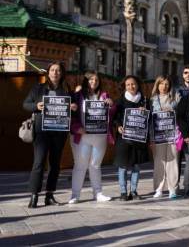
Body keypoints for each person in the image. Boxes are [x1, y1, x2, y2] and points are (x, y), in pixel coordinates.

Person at [24, 62, 78, 208]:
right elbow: (25, 104)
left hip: (59, 132)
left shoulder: (67, 90)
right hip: (41, 131)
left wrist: (73, 107)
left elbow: (76, 108)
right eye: (53, 70)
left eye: (58, 70)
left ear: (62, 73)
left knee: (55, 165)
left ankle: (49, 195)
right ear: (48, 73)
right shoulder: (38, 88)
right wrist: (36, 106)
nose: (55, 73)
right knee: (39, 163)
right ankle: (34, 195)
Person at [68, 70, 113, 204]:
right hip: (82, 136)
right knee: (80, 165)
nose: (94, 82)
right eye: (91, 79)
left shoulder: (104, 95)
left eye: (96, 80)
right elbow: (70, 115)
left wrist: (111, 104)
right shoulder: (78, 95)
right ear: (86, 81)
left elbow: (111, 113)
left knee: (95, 165)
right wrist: (77, 128)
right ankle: (75, 195)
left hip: (99, 136)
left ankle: (98, 193)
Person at [113, 75, 150, 201]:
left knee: (136, 166)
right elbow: (115, 117)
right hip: (124, 138)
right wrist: (118, 126)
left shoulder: (145, 100)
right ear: (124, 86)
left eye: (133, 84)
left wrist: (145, 111)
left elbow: (150, 118)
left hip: (139, 138)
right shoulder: (120, 101)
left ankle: (133, 191)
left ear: (138, 84)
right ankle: (123, 192)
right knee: (122, 166)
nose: (131, 87)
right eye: (128, 84)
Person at [150, 76, 180, 199]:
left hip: (173, 134)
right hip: (158, 135)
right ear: (157, 85)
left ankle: (173, 189)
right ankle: (158, 188)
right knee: (159, 162)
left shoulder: (176, 98)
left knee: (173, 162)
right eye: (161, 84)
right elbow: (150, 119)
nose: (164, 86)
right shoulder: (152, 100)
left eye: (167, 84)